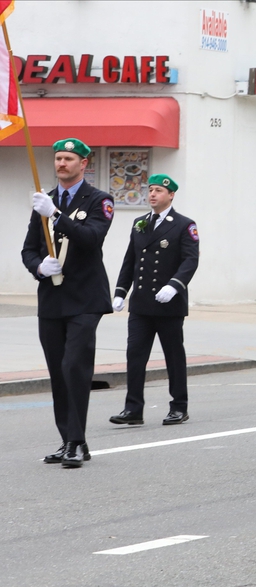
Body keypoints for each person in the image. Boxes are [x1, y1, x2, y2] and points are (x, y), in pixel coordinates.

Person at [22, 138, 116, 468]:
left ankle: (77, 440)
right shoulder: (44, 201)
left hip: (86, 298)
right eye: (58, 158)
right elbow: (29, 249)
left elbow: (91, 238)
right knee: (57, 372)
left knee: (73, 365)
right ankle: (68, 440)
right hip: (52, 299)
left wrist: (57, 216)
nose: (61, 163)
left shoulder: (99, 200)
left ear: (83, 164)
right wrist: (38, 267)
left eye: (69, 159)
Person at [108, 174, 200, 427]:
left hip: (169, 303)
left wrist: (174, 286)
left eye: (158, 190)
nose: (152, 194)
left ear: (171, 195)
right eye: (150, 190)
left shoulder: (183, 224)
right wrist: (120, 292)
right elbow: (130, 261)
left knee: (173, 356)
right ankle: (133, 408)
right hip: (141, 304)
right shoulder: (140, 223)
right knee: (135, 356)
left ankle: (179, 407)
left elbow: (190, 260)